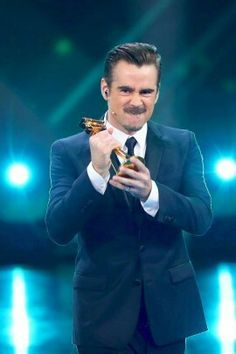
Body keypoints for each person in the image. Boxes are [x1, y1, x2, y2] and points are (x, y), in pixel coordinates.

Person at [45, 42, 212, 354]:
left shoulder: (183, 143)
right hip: (102, 317)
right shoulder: (68, 150)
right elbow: (58, 229)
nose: (137, 102)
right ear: (105, 89)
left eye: (146, 92)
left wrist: (153, 193)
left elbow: (201, 217)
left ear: (158, 92)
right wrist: (95, 171)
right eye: (126, 90)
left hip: (168, 315)